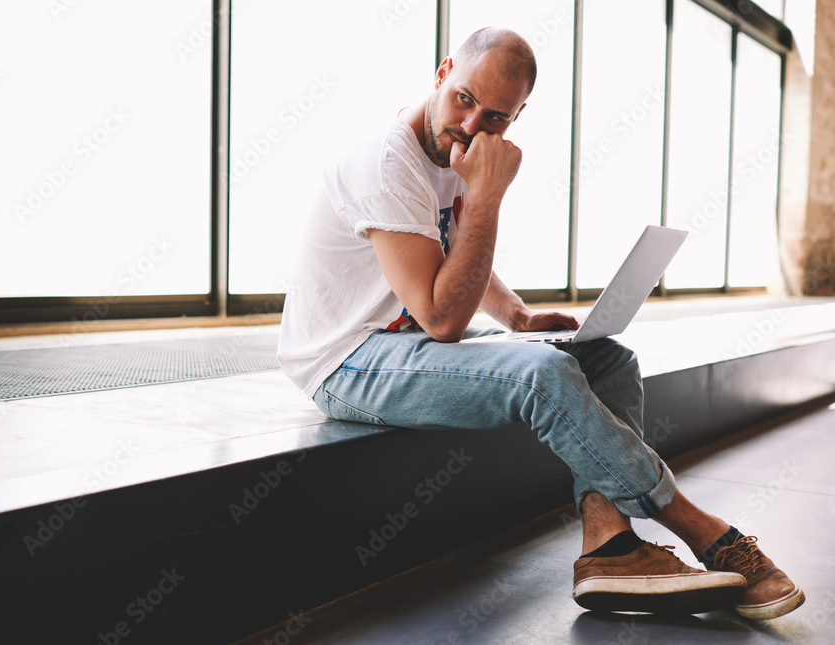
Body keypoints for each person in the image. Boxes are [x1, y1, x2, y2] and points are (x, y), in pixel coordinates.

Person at [276, 26, 804, 619]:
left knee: (606, 358)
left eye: (497, 117)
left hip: (404, 339)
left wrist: (519, 316)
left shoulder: (456, 152)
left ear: (518, 114)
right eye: (464, 99)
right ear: (443, 72)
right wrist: (487, 196)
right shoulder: (387, 162)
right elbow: (443, 316)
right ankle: (702, 528)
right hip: (346, 360)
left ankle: (609, 547)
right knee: (541, 374)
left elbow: (452, 256)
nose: (473, 125)